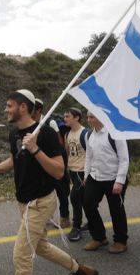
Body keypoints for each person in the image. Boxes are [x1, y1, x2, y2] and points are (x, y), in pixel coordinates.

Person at [0, 89, 98, 275]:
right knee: (40, 247)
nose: (6, 109)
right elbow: (15, 159)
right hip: (23, 202)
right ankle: (83, 273)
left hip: (41, 202)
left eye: (9, 105)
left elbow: (59, 170)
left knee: (21, 252)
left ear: (23, 107)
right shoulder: (15, 134)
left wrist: (35, 149)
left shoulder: (47, 135)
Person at [82, 111, 130, 254]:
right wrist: (86, 175)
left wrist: (119, 181)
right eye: (88, 117)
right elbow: (88, 157)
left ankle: (121, 241)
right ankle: (99, 237)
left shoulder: (115, 133)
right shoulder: (88, 135)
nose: (89, 120)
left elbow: (124, 159)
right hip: (95, 177)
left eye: (92, 116)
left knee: (116, 210)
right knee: (88, 204)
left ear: (101, 117)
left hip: (114, 179)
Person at [32, 99, 71, 228]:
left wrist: (61, 162)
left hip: (54, 159)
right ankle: (46, 216)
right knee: (43, 189)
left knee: (61, 189)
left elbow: (59, 142)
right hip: (40, 160)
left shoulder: (50, 122)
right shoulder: (30, 124)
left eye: (31, 108)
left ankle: (65, 217)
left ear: (38, 110)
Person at [63, 108, 88, 241]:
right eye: (64, 116)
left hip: (82, 171)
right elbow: (68, 153)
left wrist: (88, 174)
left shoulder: (84, 133)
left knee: (74, 198)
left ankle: (76, 228)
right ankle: (91, 221)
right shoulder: (67, 134)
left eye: (67, 116)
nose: (65, 118)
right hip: (72, 171)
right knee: (83, 199)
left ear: (77, 117)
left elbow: (92, 154)